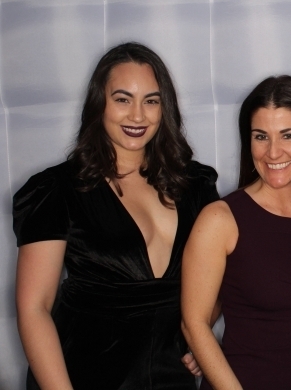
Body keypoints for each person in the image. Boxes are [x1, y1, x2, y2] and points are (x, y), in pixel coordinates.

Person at [13, 42, 220, 390]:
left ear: (165, 108)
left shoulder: (195, 186)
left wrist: (201, 335)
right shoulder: (57, 190)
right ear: (99, 103)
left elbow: (221, 278)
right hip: (81, 376)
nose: (137, 116)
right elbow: (35, 308)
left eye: (151, 101)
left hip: (171, 375)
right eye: (123, 99)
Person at [181, 75, 291, 390]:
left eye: (288, 135)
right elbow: (194, 324)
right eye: (261, 136)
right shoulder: (220, 220)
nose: (273, 153)